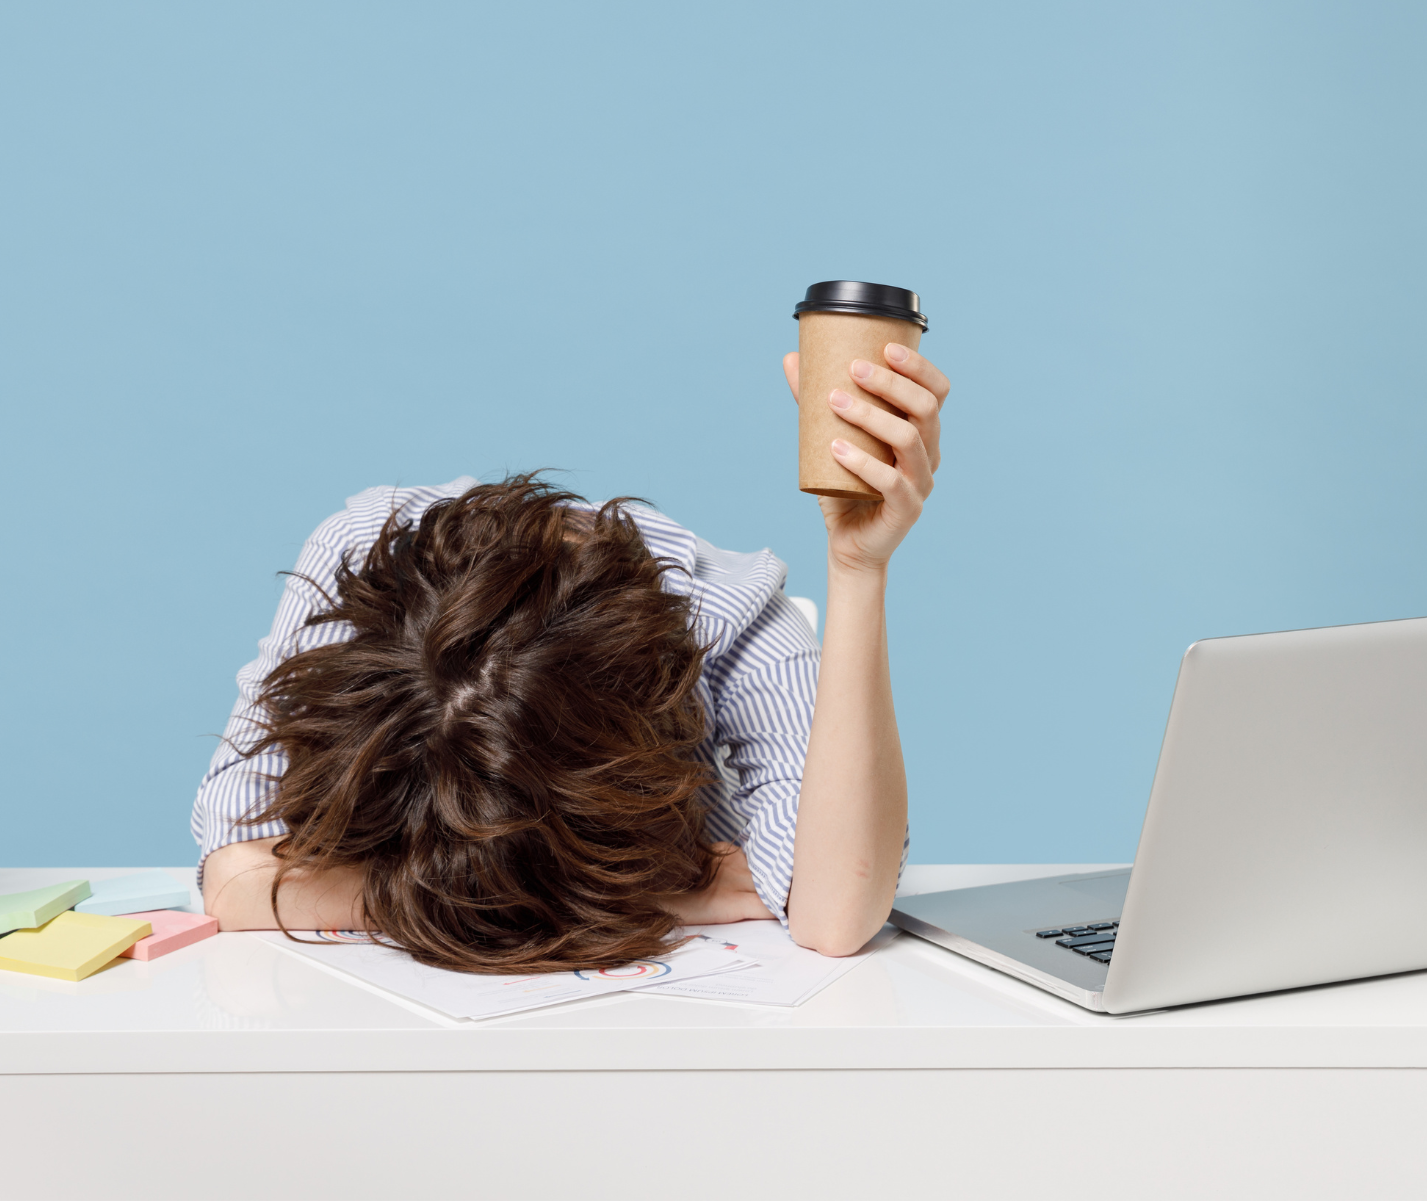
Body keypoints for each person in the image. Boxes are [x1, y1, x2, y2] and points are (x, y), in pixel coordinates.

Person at [194, 340, 950, 972]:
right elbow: (234, 877)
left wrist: (858, 570)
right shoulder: (359, 559)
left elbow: (835, 913)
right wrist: (647, 891)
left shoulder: (726, 614)